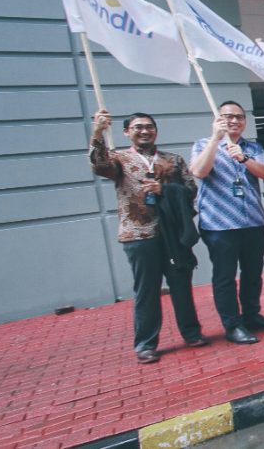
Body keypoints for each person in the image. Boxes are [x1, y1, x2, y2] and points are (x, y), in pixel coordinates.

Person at [90, 110, 207, 364]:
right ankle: (146, 343)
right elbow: (99, 166)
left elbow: (190, 190)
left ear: (156, 131)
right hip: (139, 234)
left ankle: (191, 332)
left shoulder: (172, 160)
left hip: (173, 235)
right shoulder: (118, 159)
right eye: (138, 127)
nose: (144, 131)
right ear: (126, 132)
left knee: (181, 287)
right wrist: (98, 131)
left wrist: (164, 189)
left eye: (149, 127)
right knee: (147, 290)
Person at [190, 100, 264, 345]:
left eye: (239, 117)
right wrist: (215, 140)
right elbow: (198, 171)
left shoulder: (253, 147)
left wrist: (243, 159)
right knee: (225, 277)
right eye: (228, 117)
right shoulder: (202, 144)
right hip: (220, 225)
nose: (234, 121)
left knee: (253, 273)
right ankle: (232, 325)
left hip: (252, 220)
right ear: (218, 119)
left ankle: (252, 315)